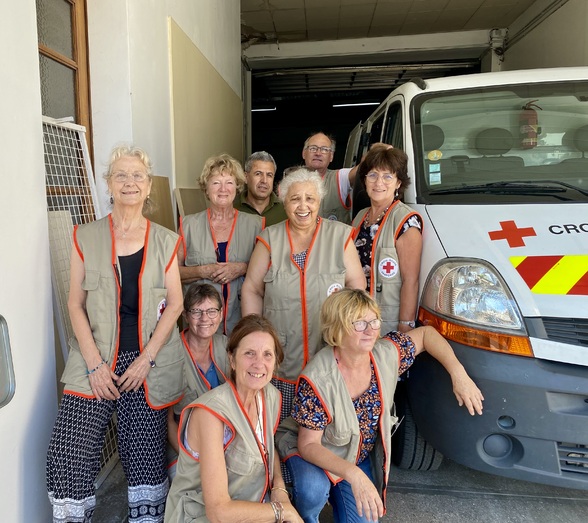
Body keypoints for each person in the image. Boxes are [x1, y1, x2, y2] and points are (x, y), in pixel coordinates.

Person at [46, 144, 185, 522]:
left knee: (143, 454)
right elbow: (75, 303)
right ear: (108, 183)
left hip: (145, 361)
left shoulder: (165, 240)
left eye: (138, 175)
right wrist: (93, 364)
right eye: (121, 175)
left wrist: (146, 359)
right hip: (95, 359)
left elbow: (175, 305)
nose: (130, 182)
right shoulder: (84, 236)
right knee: (70, 449)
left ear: (148, 186)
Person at [277, 289, 484, 523]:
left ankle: (341, 495)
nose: (370, 329)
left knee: (365, 518)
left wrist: (459, 374)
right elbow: (308, 445)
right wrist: (354, 475)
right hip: (317, 453)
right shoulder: (317, 378)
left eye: (374, 320)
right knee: (312, 489)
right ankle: (305, 517)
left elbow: (427, 335)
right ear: (336, 328)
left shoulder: (385, 354)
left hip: (356, 455)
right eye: (359, 323)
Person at [241, 167, 366, 419]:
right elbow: (252, 289)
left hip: (330, 353)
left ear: (319, 201)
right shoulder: (269, 239)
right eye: (295, 198)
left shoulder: (340, 236)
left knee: (325, 427)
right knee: (280, 423)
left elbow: (356, 287)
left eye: (310, 198)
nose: (303, 206)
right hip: (282, 357)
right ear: (284, 202)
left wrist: (350, 336)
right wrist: (254, 335)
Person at [164, 315, 303, 523]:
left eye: (267, 354)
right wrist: (282, 511)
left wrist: (279, 487)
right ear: (232, 359)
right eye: (249, 353)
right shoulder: (211, 414)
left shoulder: (270, 396)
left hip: (251, 505)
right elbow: (218, 512)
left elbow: (266, 446)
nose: (259, 364)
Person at [178, 153, 264, 334]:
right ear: (206, 188)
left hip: (242, 320)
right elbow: (172, 273)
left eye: (229, 182)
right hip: (200, 326)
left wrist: (242, 267)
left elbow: (269, 270)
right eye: (216, 182)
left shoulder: (256, 224)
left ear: (237, 187)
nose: (223, 189)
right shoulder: (188, 225)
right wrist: (202, 271)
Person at [352, 146, 423, 334]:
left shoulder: (406, 221)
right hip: (357, 318)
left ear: (398, 183)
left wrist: (406, 324)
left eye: (387, 176)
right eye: (373, 175)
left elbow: (411, 280)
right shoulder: (359, 217)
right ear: (365, 180)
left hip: (387, 321)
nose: (379, 183)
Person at [167, 283, 230, 478]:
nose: (205, 318)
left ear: (221, 314)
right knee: (188, 481)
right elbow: (167, 422)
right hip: (184, 445)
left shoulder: (227, 346)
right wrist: (191, 458)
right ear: (185, 316)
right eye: (196, 311)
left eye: (212, 311)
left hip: (226, 440)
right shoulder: (170, 353)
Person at [302, 132, 355, 224]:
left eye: (324, 149)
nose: (318, 153)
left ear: (331, 156)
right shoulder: (291, 180)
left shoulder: (340, 178)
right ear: (304, 153)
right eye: (313, 148)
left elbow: (365, 167)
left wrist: (378, 152)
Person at [234, 150, 287, 226]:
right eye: (258, 174)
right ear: (246, 177)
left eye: (269, 175)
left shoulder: (285, 209)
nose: (264, 181)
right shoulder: (232, 208)